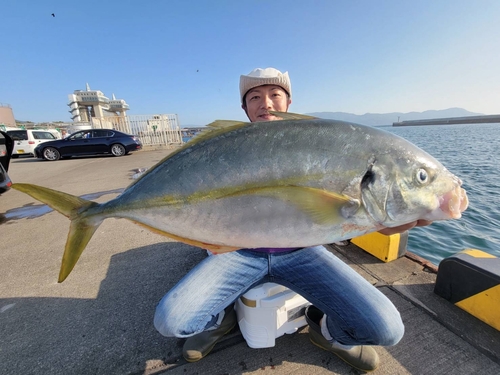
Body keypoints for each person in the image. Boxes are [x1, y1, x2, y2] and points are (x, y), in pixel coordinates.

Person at [154, 67, 430, 372]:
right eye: (255, 97)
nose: (266, 103)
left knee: (386, 329)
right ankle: (221, 318)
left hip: (303, 254)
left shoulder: (316, 145)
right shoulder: (226, 150)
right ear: (244, 108)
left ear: (289, 103)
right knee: (171, 320)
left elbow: (339, 212)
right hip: (239, 253)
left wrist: (379, 221)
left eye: (275, 95)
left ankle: (326, 330)